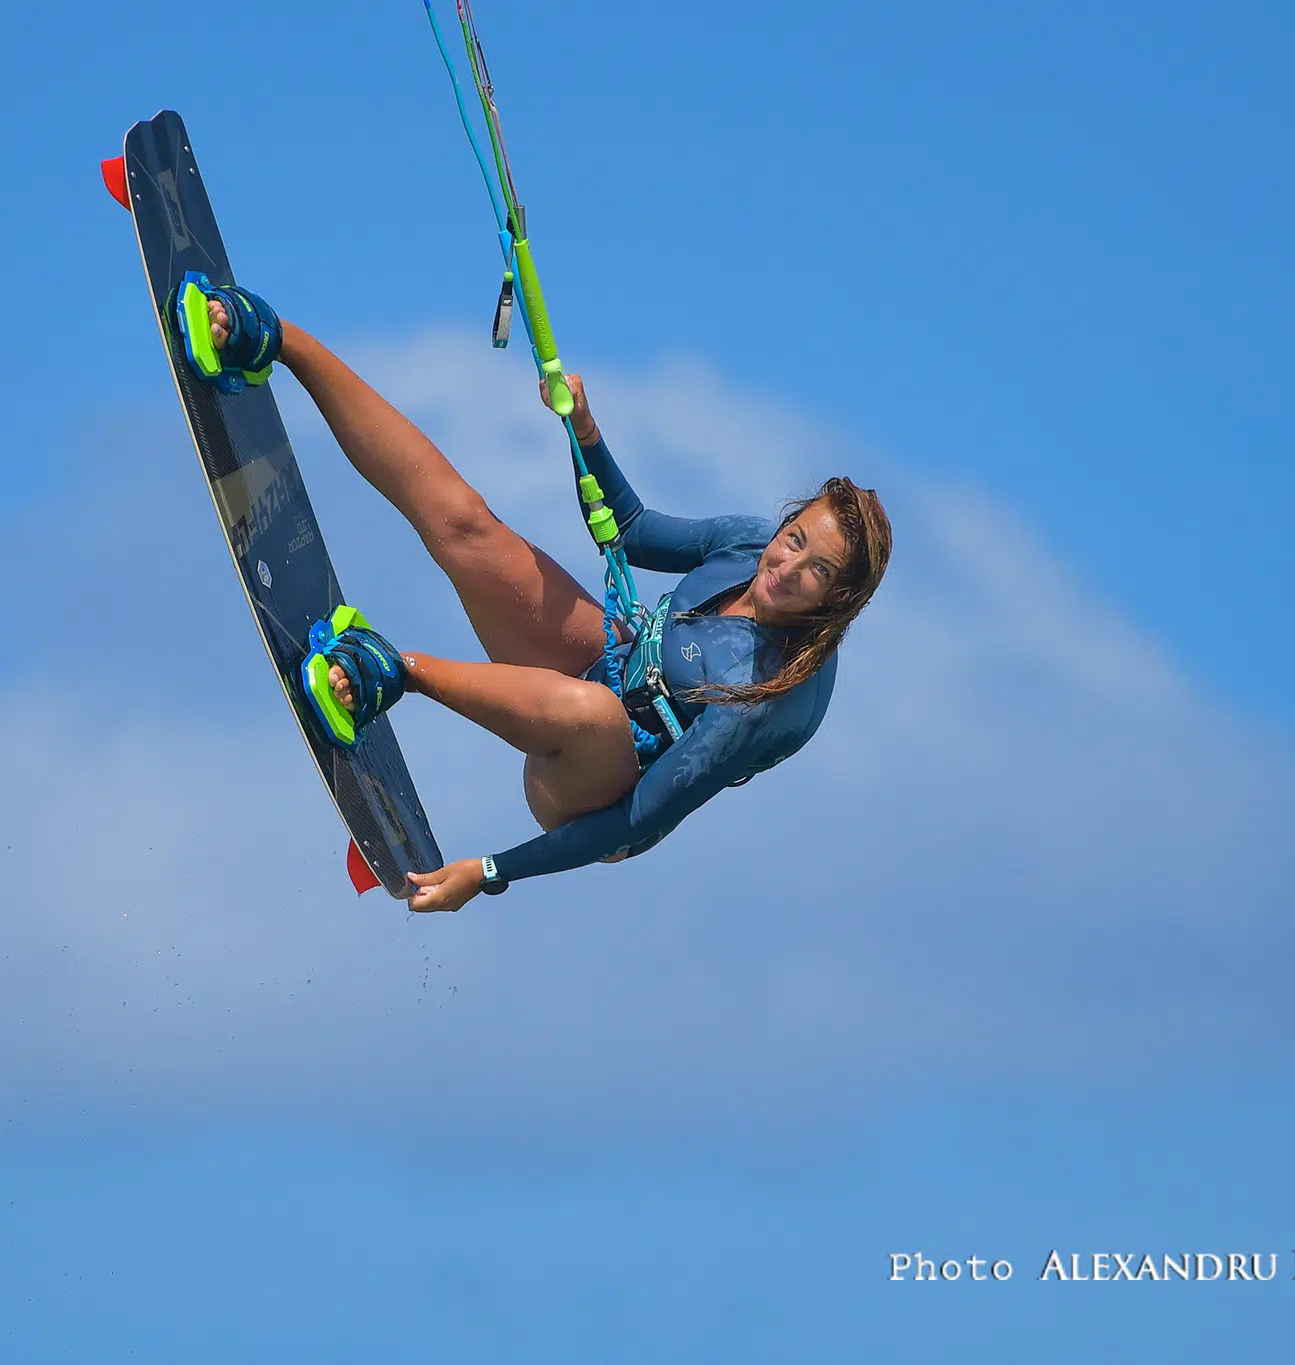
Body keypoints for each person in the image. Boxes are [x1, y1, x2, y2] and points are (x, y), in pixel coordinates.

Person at [195, 283, 892, 913]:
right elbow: (632, 530)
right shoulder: (748, 543)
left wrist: (490, 871)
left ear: (835, 602)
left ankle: (394, 673)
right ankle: (282, 343)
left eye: (817, 570)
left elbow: (640, 819)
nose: (787, 564)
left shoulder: (772, 697)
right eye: (795, 538)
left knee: (593, 711)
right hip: (605, 665)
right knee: (468, 522)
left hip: (599, 792)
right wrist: (585, 431)